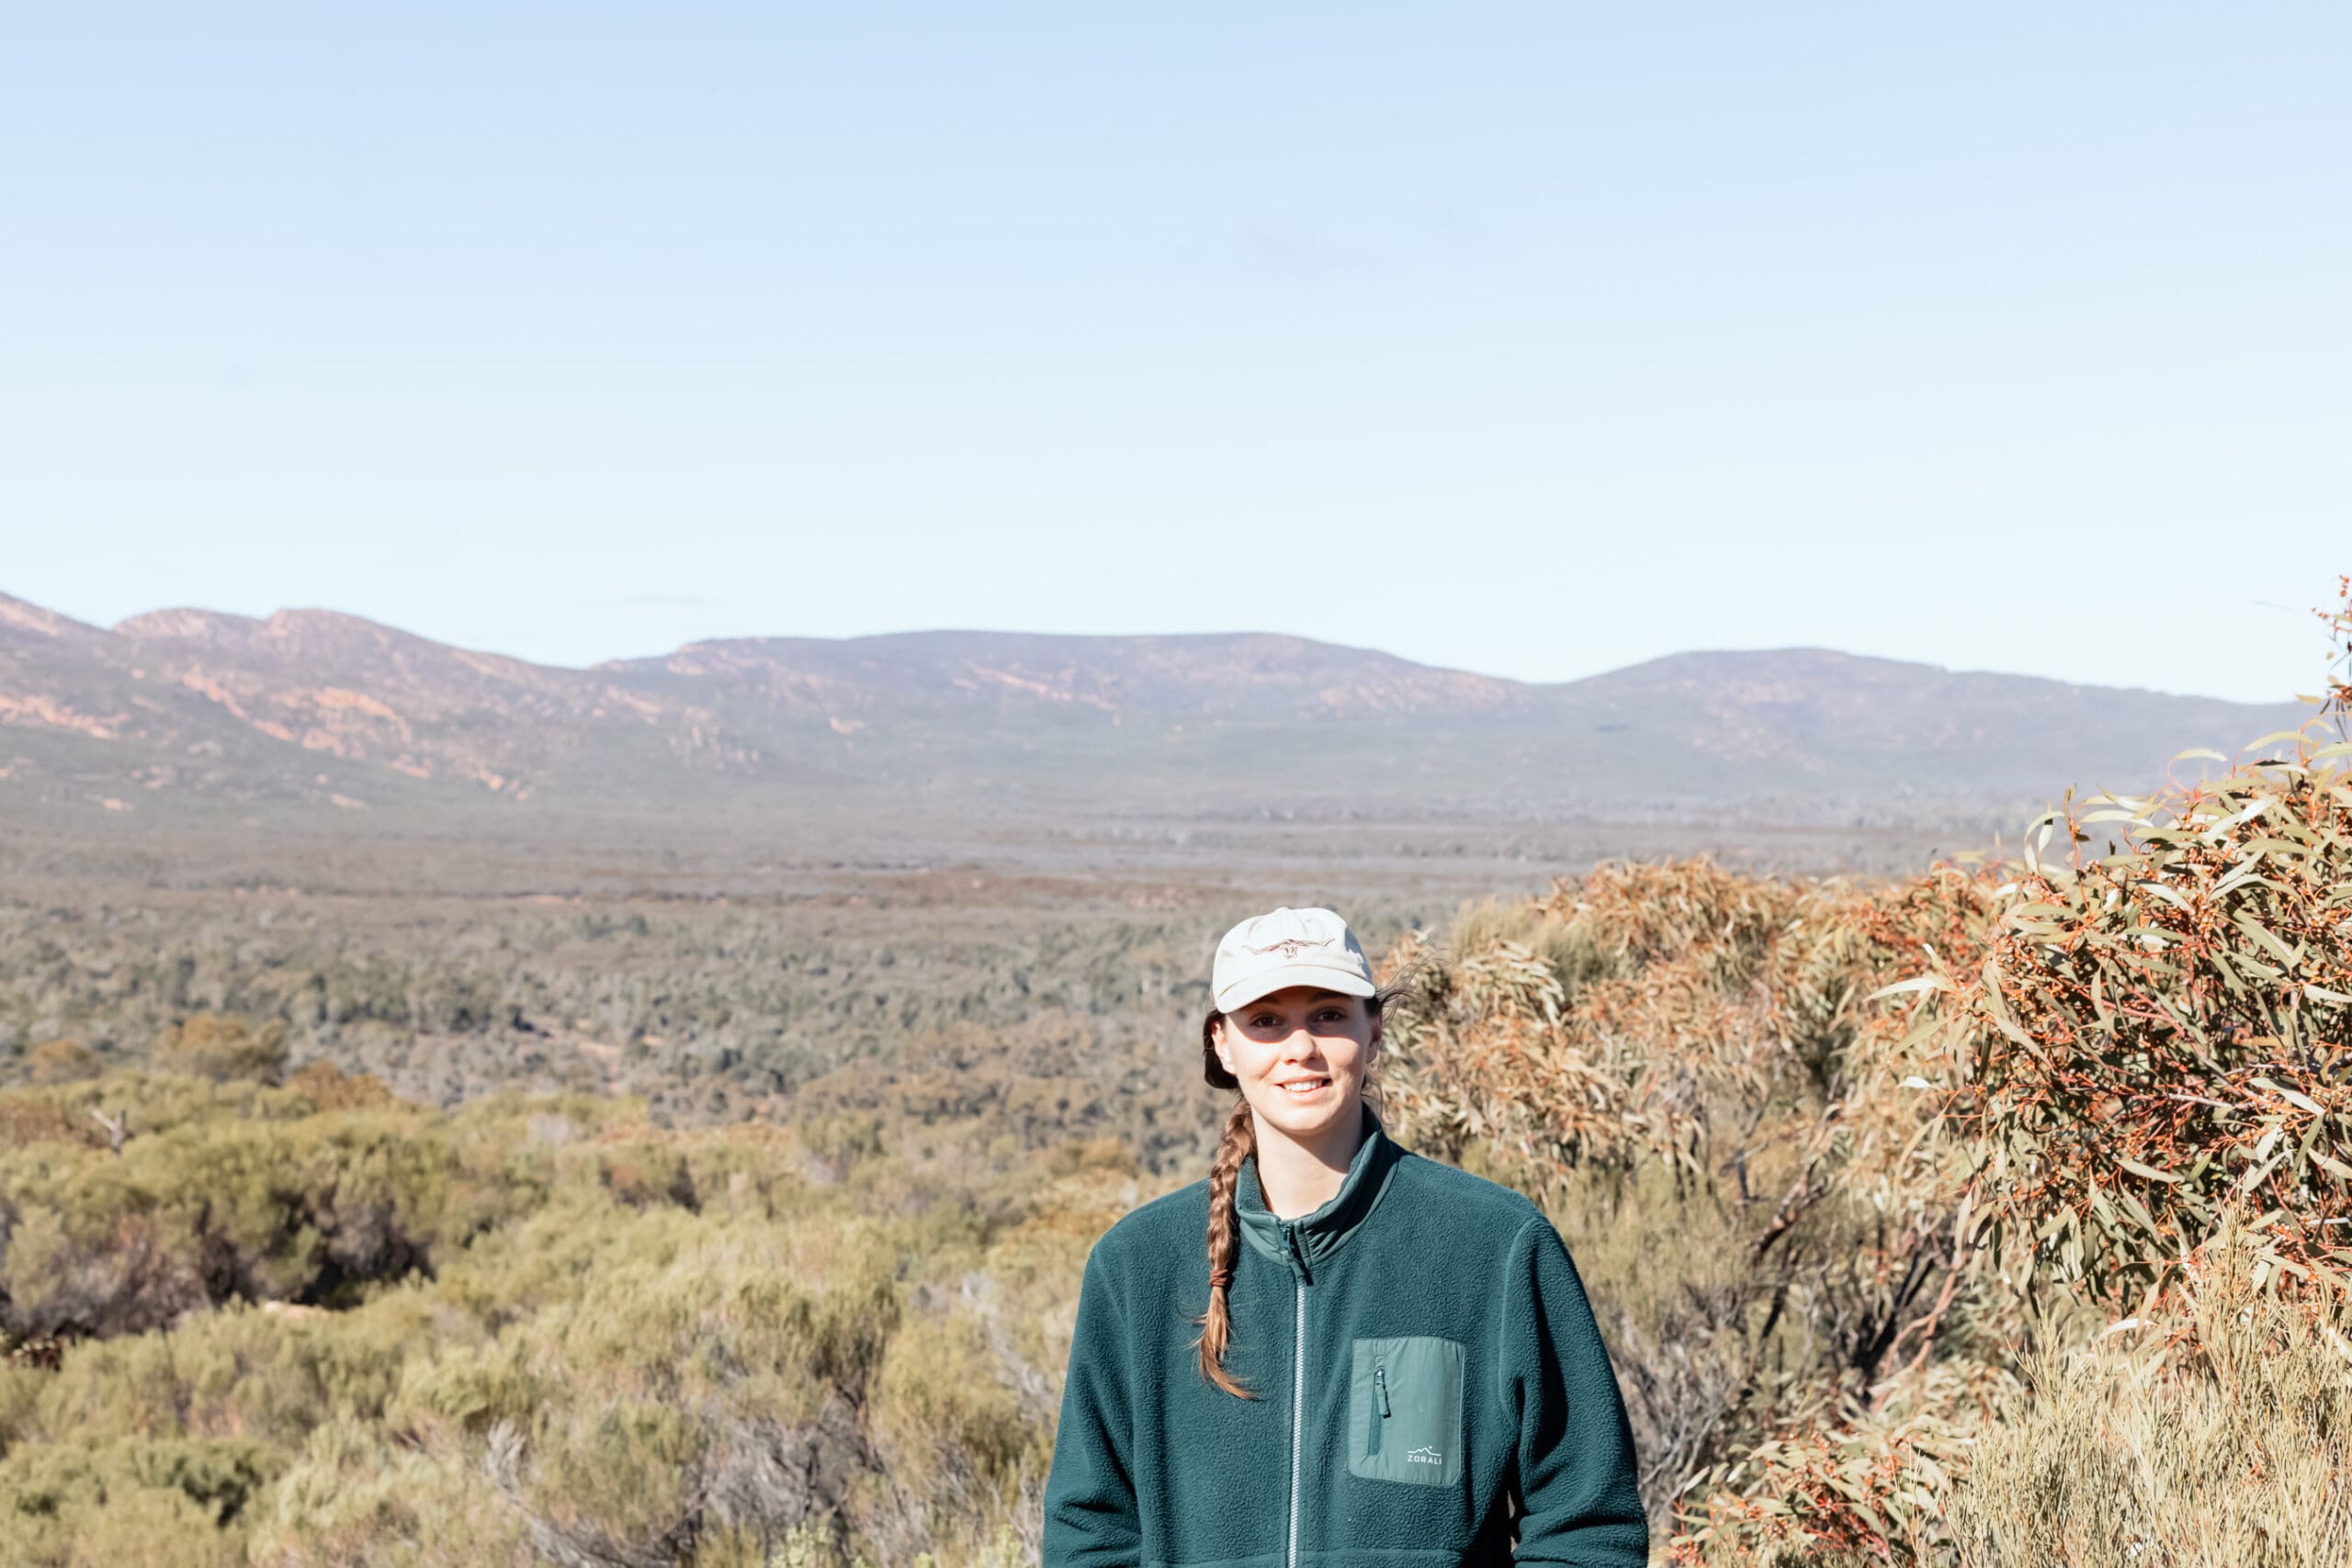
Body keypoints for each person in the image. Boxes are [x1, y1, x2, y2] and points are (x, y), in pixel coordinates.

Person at [1042, 905, 1649, 1568]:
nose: (1300, 1046)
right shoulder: (1137, 1265)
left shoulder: (1496, 1245)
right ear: (1223, 1042)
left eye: (1328, 1014)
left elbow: (1587, 1522)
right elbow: (1090, 1531)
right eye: (1267, 1020)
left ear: (1374, 1029)